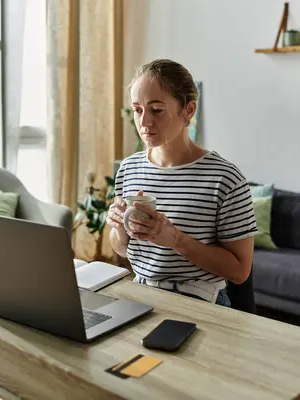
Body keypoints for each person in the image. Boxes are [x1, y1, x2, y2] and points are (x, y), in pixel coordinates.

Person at [106, 59, 258, 307]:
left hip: (201, 302)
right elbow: (122, 249)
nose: (144, 123)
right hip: (141, 295)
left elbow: (240, 271)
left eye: (156, 110)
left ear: (188, 110)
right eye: (137, 110)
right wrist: (119, 227)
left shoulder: (225, 178)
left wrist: (175, 239)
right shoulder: (128, 169)